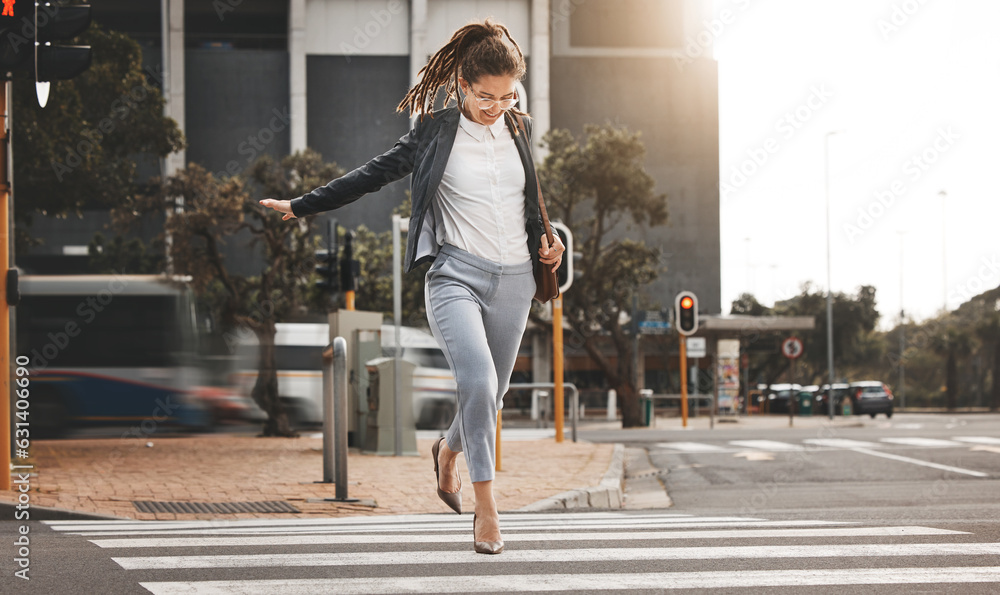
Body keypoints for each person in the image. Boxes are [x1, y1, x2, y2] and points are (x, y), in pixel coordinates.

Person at [259, 17, 564, 554]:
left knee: (492, 394)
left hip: (517, 278)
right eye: (486, 96)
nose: (497, 106)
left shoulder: (519, 128)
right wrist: (302, 205)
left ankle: (448, 451)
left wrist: (548, 241)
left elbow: (527, 204)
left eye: (507, 95)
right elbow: (372, 173)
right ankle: (487, 509)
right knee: (476, 381)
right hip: (455, 276)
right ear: (463, 85)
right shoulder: (434, 130)